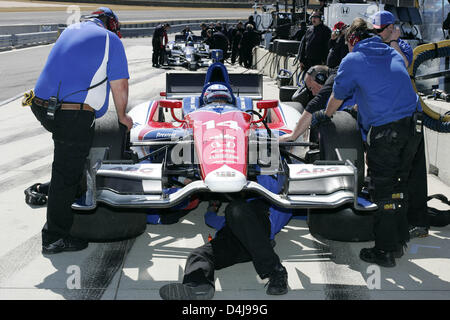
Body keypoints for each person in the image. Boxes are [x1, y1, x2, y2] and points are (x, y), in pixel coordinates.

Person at [317, 18, 427, 267]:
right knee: (400, 185)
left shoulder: (353, 60)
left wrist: (325, 115)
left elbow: (338, 95)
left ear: (353, 40)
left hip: (387, 133)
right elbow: (384, 88)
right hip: (413, 128)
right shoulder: (392, 53)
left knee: (383, 190)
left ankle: (386, 251)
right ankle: (398, 241)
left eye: (348, 44)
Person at [25, 7, 132, 254]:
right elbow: (120, 85)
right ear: (110, 24)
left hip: (40, 106)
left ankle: (52, 189)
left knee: (69, 161)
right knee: (66, 173)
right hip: (70, 114)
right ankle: (54, 237)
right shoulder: (111, 39)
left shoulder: (69, 30)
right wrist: (123, 116)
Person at [159, 175, 291, 300]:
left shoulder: (277, 204)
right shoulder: (227, 218)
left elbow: (276, 185)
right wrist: (213, 207)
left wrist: (255, 167)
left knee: (236, 209)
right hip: (233, 240)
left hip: (259, 233)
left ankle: (276, 271)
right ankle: (198, 287)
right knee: (199, 254)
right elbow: (210, 219)